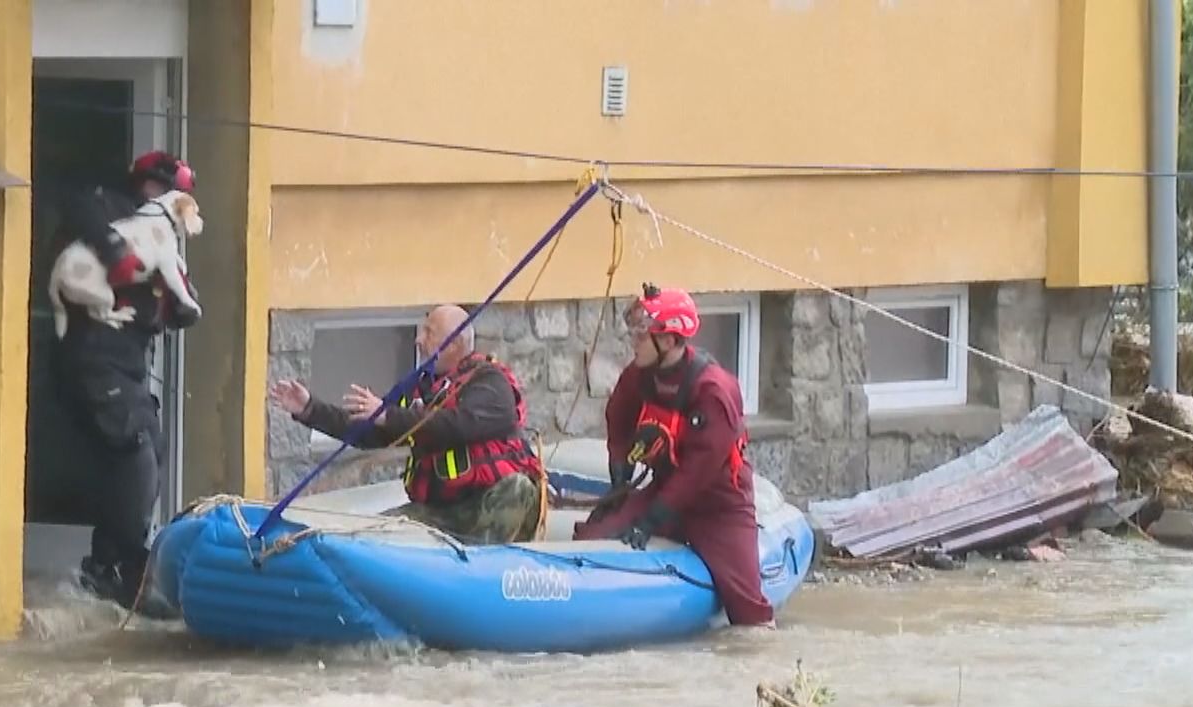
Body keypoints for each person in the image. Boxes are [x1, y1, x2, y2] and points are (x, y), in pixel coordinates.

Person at [48, 150, 201, 609]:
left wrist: (180, 306)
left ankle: (112, 564)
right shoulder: (107, 210)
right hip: (92, 358)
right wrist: (113, 251)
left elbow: (180, 294)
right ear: (146, 185)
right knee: (134, 449)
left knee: (150, 449)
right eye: (164, 189)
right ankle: (122, 570)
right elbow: (73, 201)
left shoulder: (164, 236)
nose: (171, 199)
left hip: (130, 365)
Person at [572, 284, 775, 627]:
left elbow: (699, 472)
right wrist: (619, 471)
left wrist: (651, 519)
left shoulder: (713, 392)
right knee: (592, 536)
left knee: (749, 611)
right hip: (664, 490)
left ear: (667, 341)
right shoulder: (640, 375)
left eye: (640, 335)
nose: (632, 342)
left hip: (718, 506)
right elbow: (618, 417)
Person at [269, 305, 545, 545]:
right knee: (369, 538)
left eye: (429, 332)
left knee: (518, 487)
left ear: (453, 344)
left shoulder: (490, 382)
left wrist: (388, 415)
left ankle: (481, 574)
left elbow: (458, 424)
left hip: (488, 504)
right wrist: (309, 409)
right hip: (441, 510)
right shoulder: (420, 388)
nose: (418, 339)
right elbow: (368, 431)